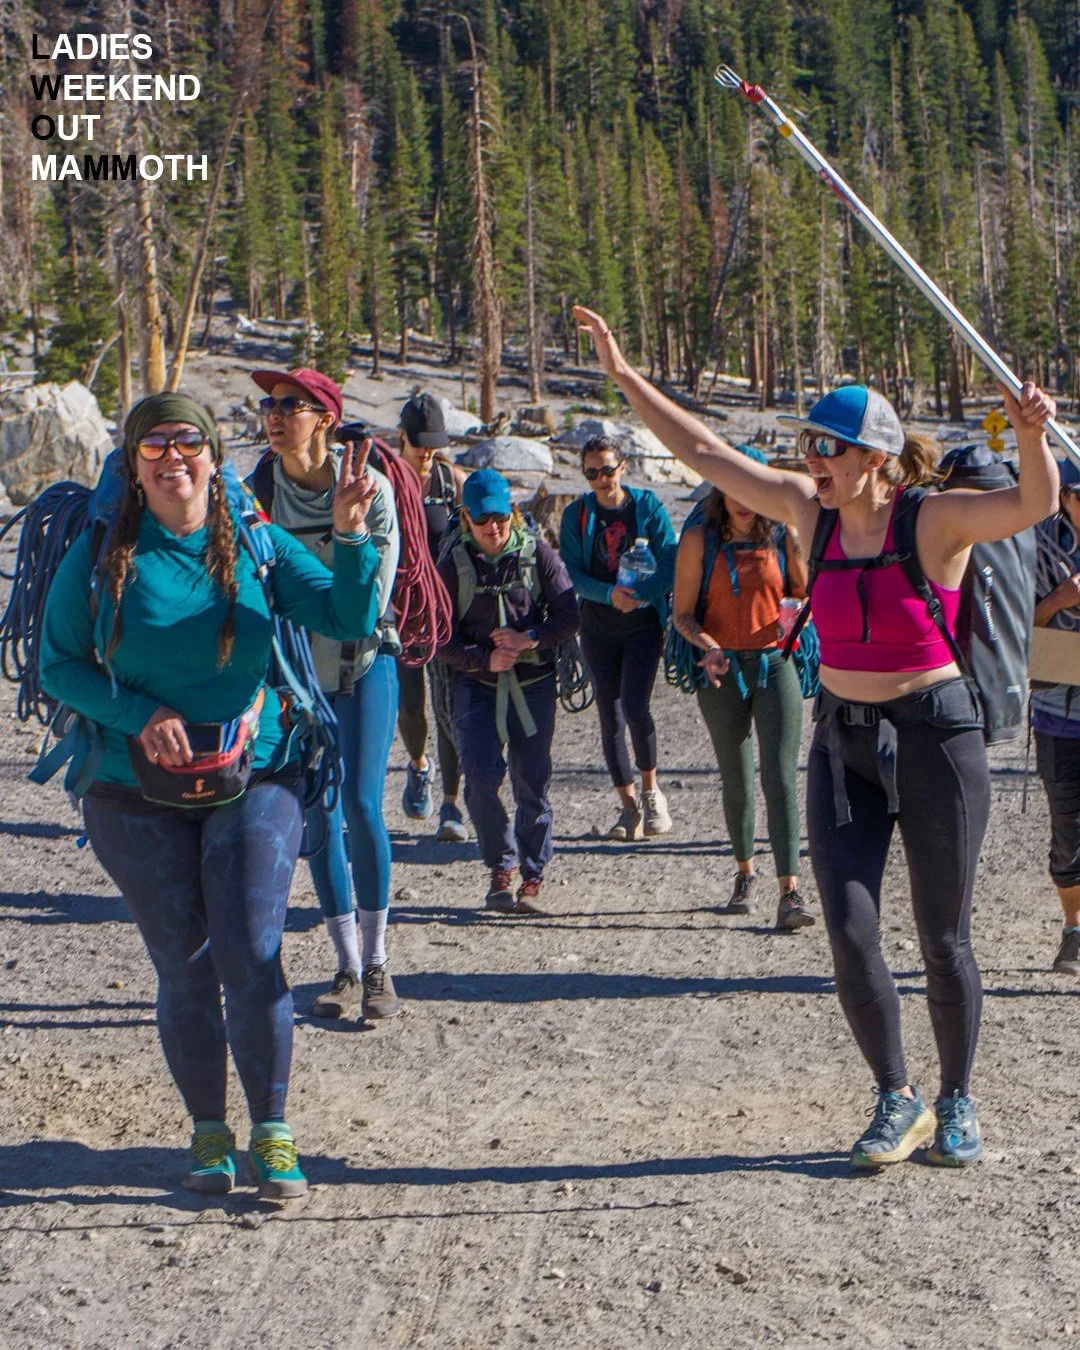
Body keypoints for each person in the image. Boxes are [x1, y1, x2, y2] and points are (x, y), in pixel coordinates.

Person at [573, 301, 1057, 1171]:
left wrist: (1030, 433)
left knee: (944, 939)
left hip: (936, 736)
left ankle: (956, 1102)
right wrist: (624, 376)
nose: (809, 461)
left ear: (874, 457)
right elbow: (705, 455)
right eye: (806, 447)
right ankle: (895, 1097)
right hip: (844, 740)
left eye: (825, 448)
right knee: (848, 927)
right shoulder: (808, 513)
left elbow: (1034, 502)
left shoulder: (936, 519)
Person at [39, 392, 382, 1197]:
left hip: (254, 774)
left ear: (211, 454)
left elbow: (349, 613)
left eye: (186, 441)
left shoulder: (254, 543)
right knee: (185, 967)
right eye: (152, 447)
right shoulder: (102, 550)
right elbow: (59, 664)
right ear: (132, 465)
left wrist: (353, 535)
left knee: (251, 949)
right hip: (129, 790)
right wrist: (137, 714)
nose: (171, 458)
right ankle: (207, 1134)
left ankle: (273, 1131)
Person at [250, 366, 402, 1023]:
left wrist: (348, 530)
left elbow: (368, 603)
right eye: (269, 404)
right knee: (319, 816)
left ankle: (377, 965)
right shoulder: (260, 489)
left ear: (325, 419)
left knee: (364, 806)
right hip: (295, 680)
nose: (275, 414)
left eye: (292, 404)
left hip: (365, 666)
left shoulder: (372, 489)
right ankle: (344, 966)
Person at [672, 477, 814, 931]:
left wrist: (794, 609)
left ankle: (789, 892)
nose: (744, 501)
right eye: (737, 489)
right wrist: (708, 647)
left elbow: (805, 593)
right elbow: (682, 613)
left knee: (780, 777)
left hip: (776, 664)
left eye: (753, 493)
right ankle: (745, 873)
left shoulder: (781, 535)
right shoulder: (699, 540)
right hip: (721, 671)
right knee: (736, 777)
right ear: (722, 492)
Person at [437, 468, 580, 913]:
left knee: (530, 781)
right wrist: (483, 658)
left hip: (534, 685)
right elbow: (439, 637)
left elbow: (570, 616)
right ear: (466, 518)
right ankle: (500, 866)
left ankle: (532, 875)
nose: (493, 528)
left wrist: (529, 639)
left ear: (513, 512)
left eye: (500, 517)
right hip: (475, 686)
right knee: (479, 778)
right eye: (482, 521)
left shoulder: (538, 555)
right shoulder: (452, 564)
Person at [559, 435, 676, 840]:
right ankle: (628, 809)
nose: (601, 479)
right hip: (598, 626)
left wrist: (640, 596)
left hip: (643, 625)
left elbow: (672, 561)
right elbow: (571, 572)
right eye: (592, 473)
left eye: (607, 470)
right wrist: (609, 594)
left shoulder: (648, 508)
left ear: (623, 466)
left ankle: (651, 792)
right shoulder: (577, 515)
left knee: (636, 708)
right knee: (609, 717)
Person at [395, 391, 469, 840]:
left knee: (447, 706)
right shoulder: (385, 478)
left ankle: (451, 804)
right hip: (401, 610)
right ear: (401, 438)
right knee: (410, 705)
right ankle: (419, 764)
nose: (426, 453)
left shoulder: (451, 481)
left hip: (444, 609)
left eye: (434, 444)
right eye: (419, 442)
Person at [1033, 457, 1080, 977]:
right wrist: (1058, 600)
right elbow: (1007, 623)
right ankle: (1074, 929)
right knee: (1068, 830)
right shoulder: (1035, 547)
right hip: (1057, 708)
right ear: (1065, 497)